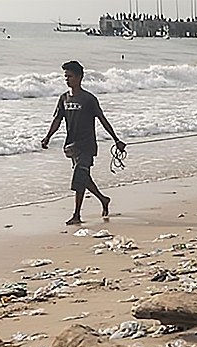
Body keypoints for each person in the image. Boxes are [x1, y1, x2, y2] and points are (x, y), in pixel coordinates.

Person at [41, 60, 125, 226]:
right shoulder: (63, 98)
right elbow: (57, 119)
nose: (67, 79)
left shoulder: (88, 99)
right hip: (72, 146)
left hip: (87, 145)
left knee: (79, 177)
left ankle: (76, 215)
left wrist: (116, 139)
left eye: (70, 76)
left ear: (79, 77)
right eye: (65, 76)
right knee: (84, 177)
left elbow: (102, 119)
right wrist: (48, 137)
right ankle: (103, 199)